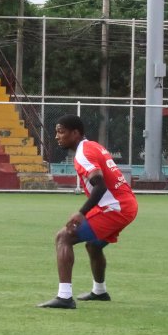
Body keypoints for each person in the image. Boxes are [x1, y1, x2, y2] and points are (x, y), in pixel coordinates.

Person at [38, 115, 138, 309]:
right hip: (125, 204)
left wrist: (81, 212)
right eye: (57, 132)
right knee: (93, 245)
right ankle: (99, 291)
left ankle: (64, 297)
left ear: (75, 133)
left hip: (116, 208)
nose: (57, 136)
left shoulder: (83, 153)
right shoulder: (92, 146)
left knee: (63, 237)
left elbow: (99, 186)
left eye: (61, 131)